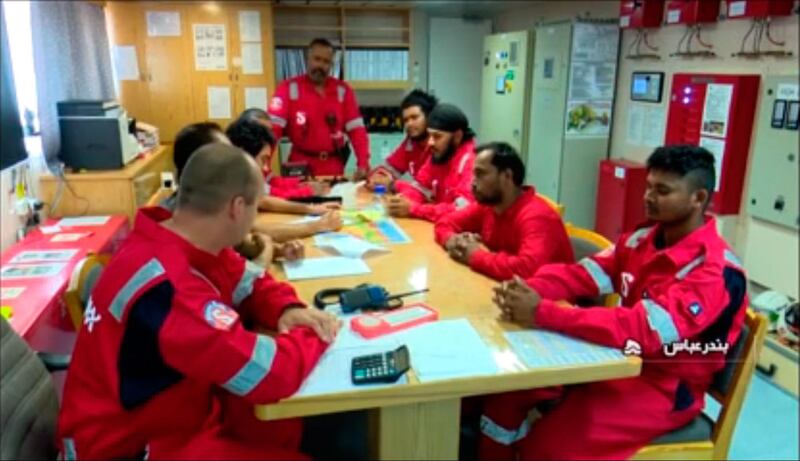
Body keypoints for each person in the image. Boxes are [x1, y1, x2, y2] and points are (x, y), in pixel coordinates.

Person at [57, 144, 342, 460]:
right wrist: (318, 331)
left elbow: (250, 281)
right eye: (256, 207)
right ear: (236, 208)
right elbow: (268, 374)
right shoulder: (170, 287)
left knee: (279, 426)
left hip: (176, 410)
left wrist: (287, 310)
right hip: (130, 446)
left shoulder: (176, 238)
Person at [481, 145, 748, 460]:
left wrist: (541, 311)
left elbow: (642, 329)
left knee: (552, 446)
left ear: (698, 198)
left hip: (664, 385)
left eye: (662, 190)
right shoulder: (643, 238)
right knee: (505, 397)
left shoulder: (714, 271)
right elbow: (584, 274)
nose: (648, 196)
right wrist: (527, 289)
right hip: (617, 355)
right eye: (648, 186)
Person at [168, 122, 342, 247]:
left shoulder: (200, 197)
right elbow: (252, 235)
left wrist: (276, 251)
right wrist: (317, 226)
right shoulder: (196, 211)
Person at [434, 142, 573, 281]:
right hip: (503, 287)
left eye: (480, 174)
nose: (473, 182)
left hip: (550, 298)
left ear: (507, 176)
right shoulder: (488, 205)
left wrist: (474, 255)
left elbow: (526, 270)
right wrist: (452, 240)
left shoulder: (537, 216)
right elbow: (445, 222)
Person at [268, 38, 370, 179]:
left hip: (334, 167)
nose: (320, 65)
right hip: (299, 166)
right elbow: (272, 131)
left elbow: (357, 131)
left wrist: (363, 163)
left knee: (334, 201)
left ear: (331, 65)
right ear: (307, 59)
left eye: (326, 61)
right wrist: (263, 165)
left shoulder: (343, 91)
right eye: (317, 59)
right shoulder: (288, 89)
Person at [385, 103, 477, 222]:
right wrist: (402, 201)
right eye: (429, 135)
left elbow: (462, 210)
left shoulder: (472, 162)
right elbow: (420, 188)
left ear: (457, 136)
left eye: (437, 136)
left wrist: (414, 209)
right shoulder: (440, 153)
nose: (430, 142)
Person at [228, 108, 332, 200]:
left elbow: (271, 183)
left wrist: (300, 183)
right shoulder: (241, 162)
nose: (268, 135)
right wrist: (308, 192)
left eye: (269, 130)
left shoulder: (260, 152)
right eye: (262, 130)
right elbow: (266, 198)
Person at [367, 89, 437, 190]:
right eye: (406, 120)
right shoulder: (411, 142)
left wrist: (393, 185)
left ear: (429, 117)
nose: (409, 124)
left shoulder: (441, 144)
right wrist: (379, 177)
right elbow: (390, 166)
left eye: (414, 117)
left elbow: (428, 189)